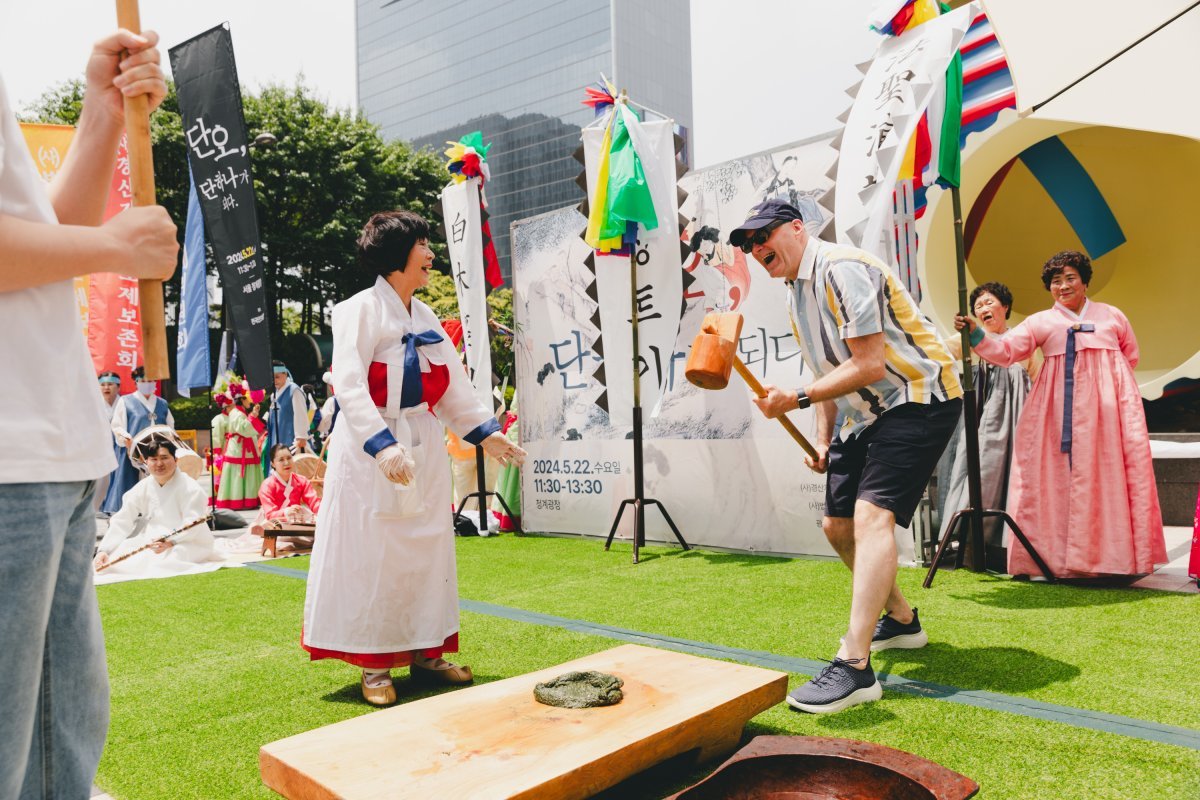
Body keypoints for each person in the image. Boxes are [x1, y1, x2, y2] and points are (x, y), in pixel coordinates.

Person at [0, 28, 176, 799]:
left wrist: (100, 112)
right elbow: (74, 243)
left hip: (56, 447)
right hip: (12, 458)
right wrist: (111, 246)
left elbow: (43, 231)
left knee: (60, 748)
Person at [730, 199, 962, 714]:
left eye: (763, 235)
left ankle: (855, 667)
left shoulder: (841, 269)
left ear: (797, 228)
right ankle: (902, 621)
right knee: (837, 528)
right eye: (749, 244)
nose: (756, 248)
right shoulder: (796, 295)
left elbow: (869, 362)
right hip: (867, 413)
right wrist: (820, 436)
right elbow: (827, 376)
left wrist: (794, 399)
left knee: (871, 517)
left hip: (918, 395)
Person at [302, 210, 526, 706]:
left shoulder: (424, 318)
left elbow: (452, 390)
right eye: (422, 244)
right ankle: (374, 662)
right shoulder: (357, 310)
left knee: (428, 550)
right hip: (369, 451)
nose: (430, 254)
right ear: (396, 254)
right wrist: (381, 445)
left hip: (422, 446)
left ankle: (427, 653)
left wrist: (486, 434)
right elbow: (350, 384)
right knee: (372, 553)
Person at [954, 250, 1166, 579]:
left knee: (1110, 480)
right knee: (1052, 483)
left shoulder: (1112, 316)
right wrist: (976, 333)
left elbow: (1129, 357)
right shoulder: (1040, 322)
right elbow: (1007, 351)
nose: (1063, 286)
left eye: (1070, 278)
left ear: (1084, 281)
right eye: (1056, 281)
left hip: (1108, 419)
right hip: (1054, 417)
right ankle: (1054, 561)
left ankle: (1114, 560)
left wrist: (1105, 392)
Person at [936, 282, 1033, 572]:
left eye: (989, 303)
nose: (983, 309)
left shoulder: (1022, 340)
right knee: (973, 473)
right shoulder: (965, 339)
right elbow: (935, 356)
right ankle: (967, 544)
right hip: (978, 421)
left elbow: (1036, 376)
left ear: (1005, 307)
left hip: (1016, 420)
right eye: (978, 305)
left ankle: (1010, 550)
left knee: (1014, 478)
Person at [93, 433, 218, 580]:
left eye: (164, 458)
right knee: (117, 560)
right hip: (152, 541)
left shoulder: (190, 487)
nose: (159, 464)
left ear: (176, 460)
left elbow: (193, 523)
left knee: (167, 562)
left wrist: (171, 541)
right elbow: (122, 520)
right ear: (146, 462)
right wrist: (104, 550)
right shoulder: (143, 487)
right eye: (154, 459)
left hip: (188, 542)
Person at [101, 365, 174, 514]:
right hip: (132, 451)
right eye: (142, 380)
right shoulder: (126, 401)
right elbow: (117, 426)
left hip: (157, 451)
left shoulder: (162, 403)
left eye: (150, 380)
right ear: (136, 382)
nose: (147, 383)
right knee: (130, 486)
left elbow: (170, 426)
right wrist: (126, 439)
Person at [214, 383, 266, 510]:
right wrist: (253, 416)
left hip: (241, 446)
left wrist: (252, 415)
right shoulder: (237, 413)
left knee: (240, 473)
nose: (250, 401)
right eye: (247, 398)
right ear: (242, 399)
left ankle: (243, 500)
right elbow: (244, 429)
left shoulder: (237, 412)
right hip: (239, 447)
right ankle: (241, 501)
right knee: (241, 473)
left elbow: (244, 427)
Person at [267, 360, 310, 455]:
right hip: (276, 438)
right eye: (272, 378)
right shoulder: (274, 394)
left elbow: (301, 414)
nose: (274, 381)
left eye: (277, 377)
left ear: (285, 374)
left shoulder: (294, 391)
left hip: (292, 441)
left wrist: (301, 437)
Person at [95, 371, 123, 514]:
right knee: (101, 479)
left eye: (110, 384)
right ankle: (99, 507)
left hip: (120, 448)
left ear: (118, 387)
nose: (106, 388)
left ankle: (116, 507)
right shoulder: (94, 404)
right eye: (103, 385)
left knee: (119, 477)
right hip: (100, 447)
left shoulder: (125, 403)